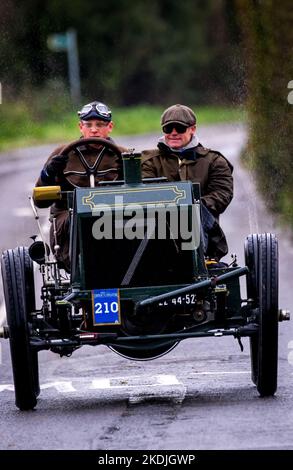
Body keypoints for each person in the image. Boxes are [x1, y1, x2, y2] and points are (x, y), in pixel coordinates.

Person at [34, 101, 127, 270]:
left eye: (100, 124)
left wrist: (127, 171)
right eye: (88, 125)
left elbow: (143, 192)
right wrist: (49, 173)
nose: (94, 130)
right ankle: (81, 272)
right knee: (80, 217)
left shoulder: (123, 155)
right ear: (80, 127)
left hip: (114, 217)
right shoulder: (61, 154)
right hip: (68, 223)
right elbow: (40, 201)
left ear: (110, 127)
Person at [141, 104, 233, 260]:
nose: (174, 133)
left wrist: (191, 205)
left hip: (202, 234)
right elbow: (145, 193)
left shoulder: (215, 161)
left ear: (193, 129)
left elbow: (223, 195)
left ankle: (198, 260)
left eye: (180, 128)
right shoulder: (148, 161)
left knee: (195, 210)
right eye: (168, 128)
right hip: (155, 232)